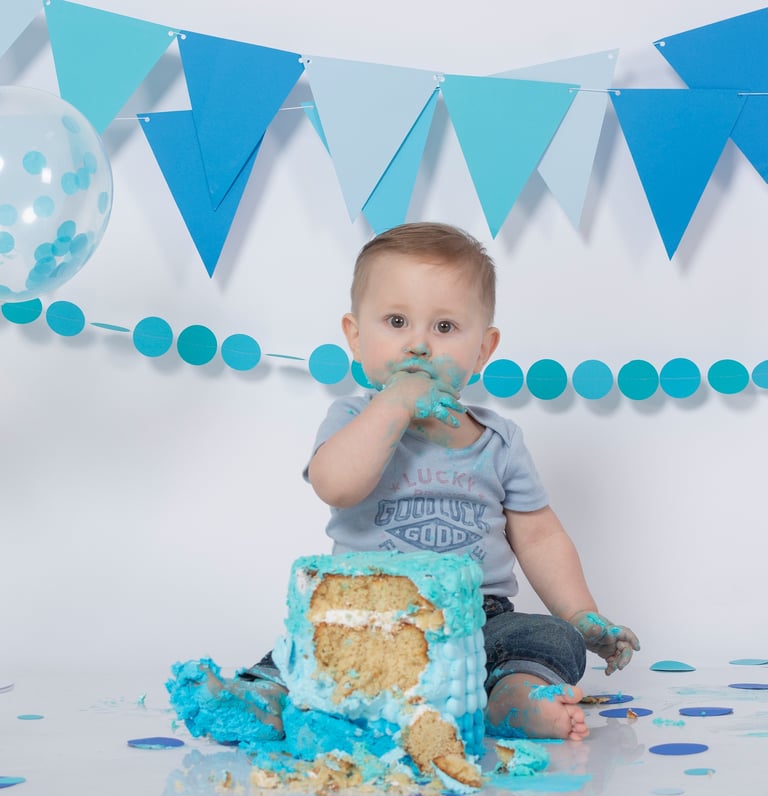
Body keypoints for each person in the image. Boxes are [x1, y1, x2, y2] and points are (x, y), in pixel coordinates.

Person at [171, 222, 639, 744]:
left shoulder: (499, 440)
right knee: (302, 646)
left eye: (444, 328)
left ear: (483, 348)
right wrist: (393, 404)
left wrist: (580, 613)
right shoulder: (352, 417)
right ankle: (264, 699)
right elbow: (335, 485)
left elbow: (540, 536)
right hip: (365, 614)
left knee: (548, 638)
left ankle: (512, 696)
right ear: (355, 336)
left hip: (475, 620)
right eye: (396, 321)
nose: (418, 344)